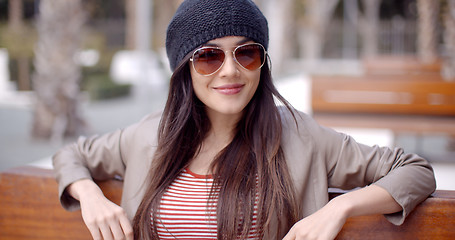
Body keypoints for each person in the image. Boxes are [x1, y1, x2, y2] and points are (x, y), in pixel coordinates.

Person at [52, 0, 436, 239]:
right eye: (208, 56)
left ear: (262, 63)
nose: (231, 71)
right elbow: (72, 155)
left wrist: (339, 208)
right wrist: (88, 194)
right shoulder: (151, 135)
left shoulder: (300, 136)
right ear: (184, 69)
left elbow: (414, 170)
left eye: (246, 53)